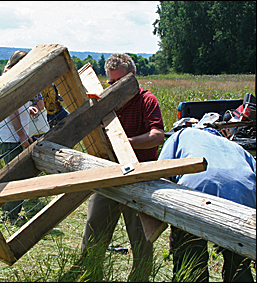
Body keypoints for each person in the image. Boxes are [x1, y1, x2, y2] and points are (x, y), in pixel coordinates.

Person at [78, 53, 165, 281]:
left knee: (141, 240)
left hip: (140, 179)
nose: (116, 88)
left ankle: (141, 278)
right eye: (112, 83)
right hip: (110, 175)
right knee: (94, 231)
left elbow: (157, 136)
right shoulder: (105, 105)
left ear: (133, 77)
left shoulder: (147, 100)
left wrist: (125, 142)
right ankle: (89, 274)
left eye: (121, 82)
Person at [157, 127, 256, 282]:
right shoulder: (238, 148)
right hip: (243, 199)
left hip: (195, 194)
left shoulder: (182, 134)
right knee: (238, 265)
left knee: (190, 260)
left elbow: (162, 173)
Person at [0, 50, 45, 222]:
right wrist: (22, 136)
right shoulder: (11, 81)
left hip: (15, 137)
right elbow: (12, 112)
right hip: (11, 138)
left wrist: (30, 109)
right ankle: (9, 217)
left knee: (20, 177)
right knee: (15, 179)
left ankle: (12, 214)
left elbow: (21, 109)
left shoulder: (18, 81)